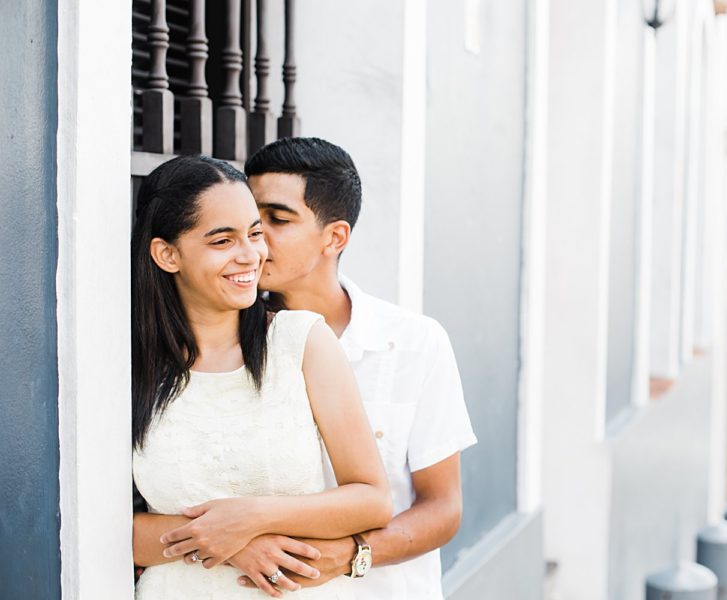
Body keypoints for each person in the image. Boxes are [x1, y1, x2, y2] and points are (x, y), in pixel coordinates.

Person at [130, 154, 392, 599]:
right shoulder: (132, 366)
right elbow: (105, 528)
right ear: (167, 254)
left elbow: (372, 499)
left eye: (254, 234)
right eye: (222, 241)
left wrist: (252, 518)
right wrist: (235, 546)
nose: (250, 255)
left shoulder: (301, 341)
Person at [237, 137, 477, 599]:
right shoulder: (224, 341)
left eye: (277, 219)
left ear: (335, 237)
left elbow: (443, 507)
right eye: (250, 217)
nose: (255, 237)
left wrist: (352, 554)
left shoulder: (415, 343)